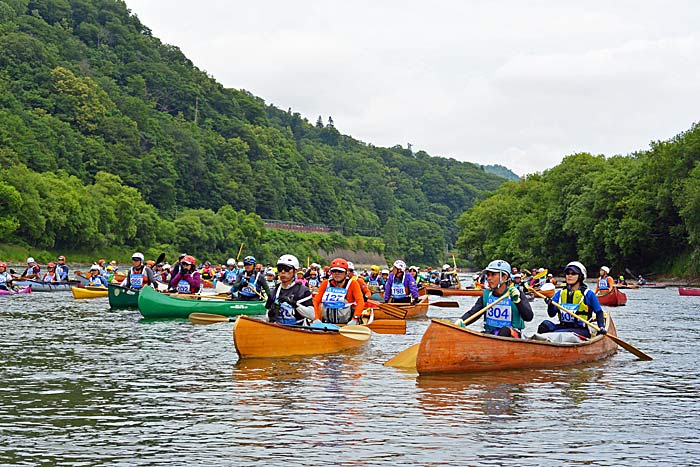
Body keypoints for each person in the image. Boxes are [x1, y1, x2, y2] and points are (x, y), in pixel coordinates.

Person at [458, 260, 533, 338]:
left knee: (505, 331)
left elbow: (528, 317)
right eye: (488, 275)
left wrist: (518, 301)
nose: (489, 278)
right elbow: (473, 313)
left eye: (493, 275)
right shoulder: (486, 295)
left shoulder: (516, 294)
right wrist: (460, 321)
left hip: (512, 335)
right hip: (491, 334)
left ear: (504, 277)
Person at [537, 261, 607, 339]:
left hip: (580, 330)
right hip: (563, 327)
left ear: (580, 276)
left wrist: (601, 327)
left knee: (558, 334)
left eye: (573, 274)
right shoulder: (560, 293)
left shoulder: (588, 294)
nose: (569, 276)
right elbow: (551, 314)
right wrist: (550, 305)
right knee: (544, 325)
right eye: (568, 273)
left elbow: (599, 312)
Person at [313, 258, 366, 324]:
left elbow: (360, 301)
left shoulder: (353, 284)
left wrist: (355, 318)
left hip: (348, 323)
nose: (337, 273)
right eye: (334, 271)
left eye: (340, 271)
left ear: (346, 273)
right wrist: (315, 317)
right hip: (327, 323)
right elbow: (315, 301)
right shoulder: (325, 283)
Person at [266, 254, 315, 325]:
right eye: (280, 268)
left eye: (286, 268)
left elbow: (312, 315)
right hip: (279, 329)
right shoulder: (274, 292)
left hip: (299, 329)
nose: (283, 272)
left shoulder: (303, 291)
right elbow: (267, 318)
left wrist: (294, 303)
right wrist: (270, 315)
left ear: (295, 271)